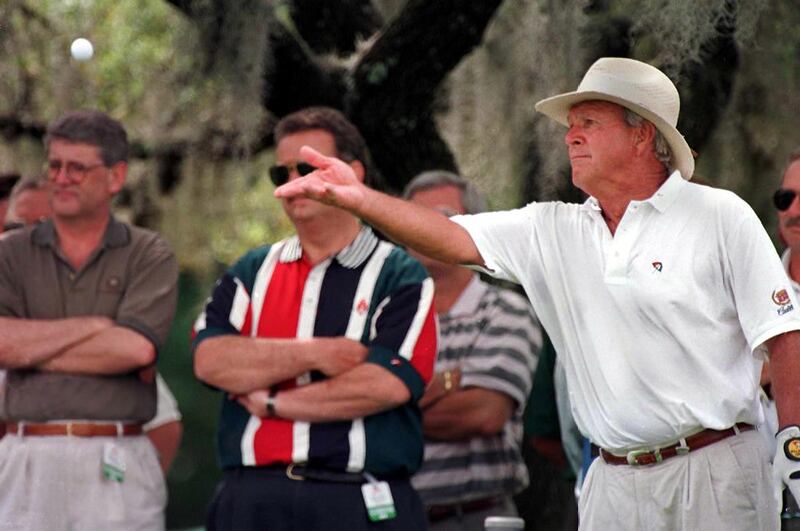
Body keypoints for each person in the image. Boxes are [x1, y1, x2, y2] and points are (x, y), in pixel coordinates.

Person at [274, 57, 800, 530]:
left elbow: (784, 334)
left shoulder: (718, 215)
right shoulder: (552, 228)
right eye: (571, 127)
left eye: (589, 123)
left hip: (717, 471)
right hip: (612, 482)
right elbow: (452, 237)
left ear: (643, 136)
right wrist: (357, 198)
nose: (571, 137)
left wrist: (794, 446)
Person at [192, 106, 437, 531]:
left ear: (353, 173)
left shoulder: (400, 274)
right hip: (251, 501)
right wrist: (318, 353)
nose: (294, 183)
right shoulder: (251, 270)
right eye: (282, 173)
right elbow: (211, 361)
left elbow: (386, 383)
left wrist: (274, 402)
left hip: (357, 500)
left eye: (308, 168)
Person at [0, 109, 179, 530]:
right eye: (55, 166)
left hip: (115, 460)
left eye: (77, 168)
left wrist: (27, 349)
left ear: (116, 177)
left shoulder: (149, 253)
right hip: (26, 460)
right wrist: (95, 326)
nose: (61, 178)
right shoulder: (9, 254)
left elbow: (135, 348)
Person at [0, 172, 185, 471]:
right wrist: (92, 324)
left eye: (44, 227)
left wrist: (126, 496)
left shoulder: (90, 336)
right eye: (14, 227)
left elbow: (163, 427)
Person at [402, 171, 541, 530]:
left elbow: (482, 414)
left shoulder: (506, 310)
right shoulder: (384, 316)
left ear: (474, 227)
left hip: (477, 516)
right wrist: (450, 382)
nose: (425, 227)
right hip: (394, 515)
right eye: (414, 216)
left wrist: (387, 414)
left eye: (444, 216)